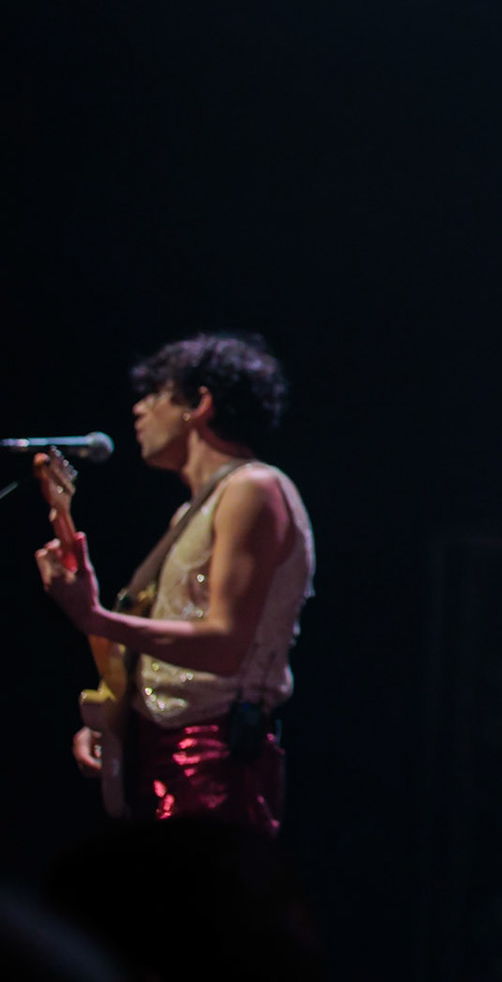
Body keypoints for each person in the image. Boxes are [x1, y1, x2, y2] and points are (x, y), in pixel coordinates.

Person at [35, 333, 315, 838]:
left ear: (199, 404)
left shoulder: (254, 488)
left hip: (213, 759)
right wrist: (116, 723)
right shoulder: (190, 513)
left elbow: (225, 644)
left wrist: (95, 617)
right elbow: (161, 658)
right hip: (162, 749)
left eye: (155, 394)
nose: (139, 409)